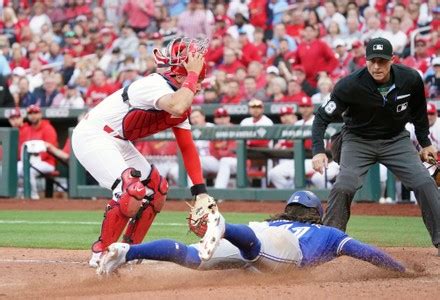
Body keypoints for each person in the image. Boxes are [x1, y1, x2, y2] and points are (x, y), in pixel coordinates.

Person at [71, 37, 217, 268]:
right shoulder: (155, 84)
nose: (199, 85)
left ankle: (129, 253)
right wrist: (191, 75)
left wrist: (200, 191)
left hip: (117, 140)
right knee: (132, 190)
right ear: (180, 76)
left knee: (158, 190)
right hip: (93, 135)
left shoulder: (182, 95)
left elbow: (187, 147)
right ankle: (102, 252)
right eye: (197, 79)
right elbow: (177, 105)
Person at [311, 37, 440, 255]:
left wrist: (425, 142)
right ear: (365, 61)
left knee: (424, 183)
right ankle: (328, 243)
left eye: (382, 61)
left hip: (396, 139)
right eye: (372, 61)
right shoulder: (349, 85)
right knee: (344, 185)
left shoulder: (410, 79)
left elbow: (419, 111)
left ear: (392, 60)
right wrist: (317, 151)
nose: (377, 66)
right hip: (358, 139)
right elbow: (321, 117)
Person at [97, 190, 407, 275]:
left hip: (256, 234)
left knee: (192, 256)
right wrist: (399, 269)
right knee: (255, 249)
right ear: (318, 214)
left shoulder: (273, 221)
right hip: (280, 250)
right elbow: (367, 253)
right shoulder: (329, 234)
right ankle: (224, 226)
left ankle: (127, 252)